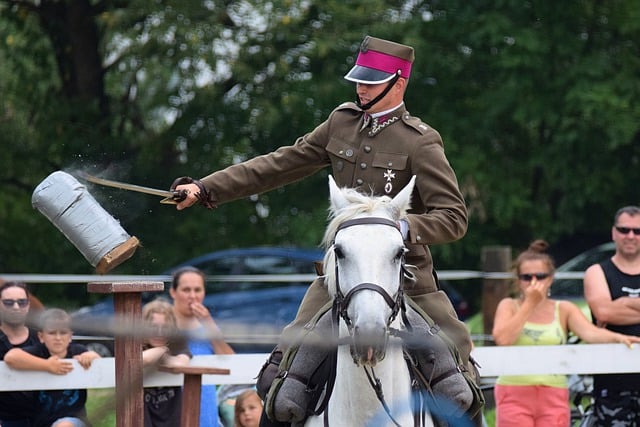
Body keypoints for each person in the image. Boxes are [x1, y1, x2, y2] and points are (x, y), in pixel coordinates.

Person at [170, 35, 479, 424]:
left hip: (405, 276)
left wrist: (401, 226)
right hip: (340, 274)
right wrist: (206, 187)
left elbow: (454, 217)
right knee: (281, 378)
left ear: (399, 82)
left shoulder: (421, 142)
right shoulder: (340, 124)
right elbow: (280, 164)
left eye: (371, 80)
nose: (360, 87)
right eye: (359, 80)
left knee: (460, 382)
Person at [492, 239, 640, 427]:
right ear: (518, 280)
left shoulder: (563, 309)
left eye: (540, 276)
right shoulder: (508, 305)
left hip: (553, 392)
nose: (534, 282)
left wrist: (620, 338)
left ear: (551, 277)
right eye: (526, 277)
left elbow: (591, 333)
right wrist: (529, 304)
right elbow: (503, 338)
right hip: (513, 391)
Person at [584, 205, 640, 426]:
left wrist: (625, 303)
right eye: (624, 229)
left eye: (637, 231)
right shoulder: (597, 272)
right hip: (613, 386)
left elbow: (611, 310)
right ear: (613, 232)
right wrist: (612, 309)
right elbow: (604, 311)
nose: (631, 236)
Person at [4, 308, 101, 427]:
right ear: (41, 337)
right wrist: (47, 366)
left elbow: (100, 364)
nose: (58, 338)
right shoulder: (38, 352)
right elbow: (11, 356)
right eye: (52, 333)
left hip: (75, 420)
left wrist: (91, 356)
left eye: (63, 332)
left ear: (70, 336)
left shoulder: (78, 351)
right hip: (41, 422)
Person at [169, 266, 235, 427]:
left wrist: (208, 323)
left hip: (207, 415)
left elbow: (231, 361)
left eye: (197, 290)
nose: (192, 296)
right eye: (186, 290)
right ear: (173, 292)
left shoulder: (208, 327)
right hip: (172, 414)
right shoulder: (162, 324)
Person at [141, 298, 192, 427]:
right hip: (142, 420)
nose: (159, 333)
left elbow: (182, 364)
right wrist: (162, 351)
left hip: (173, 420)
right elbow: (142, 359)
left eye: (165, 327)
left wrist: (163, 357)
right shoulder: (136, 347)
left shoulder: (178, 346)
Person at [0, 280, 40, 427]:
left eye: (22, 302)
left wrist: (87, 355)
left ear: (28, 305)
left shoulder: (42, 339)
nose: (16, 307)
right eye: (8, 302)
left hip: (42, 418)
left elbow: (71, 353)